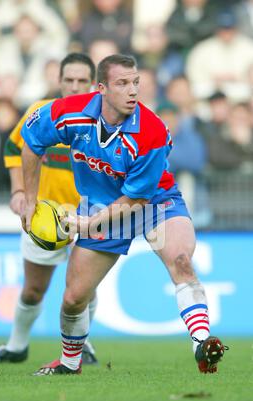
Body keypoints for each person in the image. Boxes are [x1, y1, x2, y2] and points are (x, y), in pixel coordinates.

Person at [21, 54, 228, 376]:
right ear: (101, 88)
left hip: (154, 202)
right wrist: (30, 199)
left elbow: (136, 199)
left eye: (136, 83)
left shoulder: (152, 132)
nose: (132, 91)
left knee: (182, 261)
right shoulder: (68, 112)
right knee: (74, 298)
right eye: (122, 84)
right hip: (100, 204)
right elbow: (31, 142)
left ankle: (201, 343)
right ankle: (69, 363)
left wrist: (87, 224)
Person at [0, 53, 98, 365]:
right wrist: (19, 190)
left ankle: (83, 345)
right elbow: (13, 147)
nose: (74, 87)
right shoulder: (40, 112)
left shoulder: (106, 119)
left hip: (90, 216)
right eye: (68, 80)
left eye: (81, 81)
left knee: (84, 287)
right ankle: (17, 346)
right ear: (59, 81)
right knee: (34, 290)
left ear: (93, 84)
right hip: (44, 216)